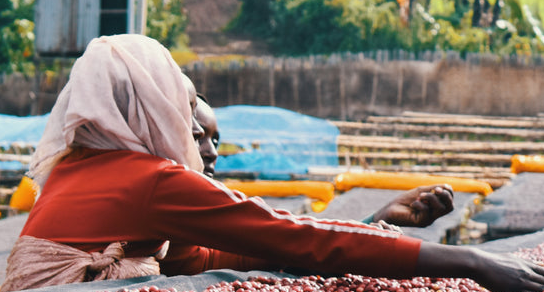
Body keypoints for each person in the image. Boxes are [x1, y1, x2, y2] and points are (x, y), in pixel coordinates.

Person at [2, 34, 544, 292]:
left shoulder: (79, 169)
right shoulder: (146, 181)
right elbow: (285, 235)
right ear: (148, 104)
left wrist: (372, 225)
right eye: (177, 95)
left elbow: (214, 255)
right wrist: (465, 260)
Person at [191, 94, 456, 228]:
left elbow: (281, 246)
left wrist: (380, 218)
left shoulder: (214, 218)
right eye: (197, 137)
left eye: (216, 141)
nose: (212, 152)